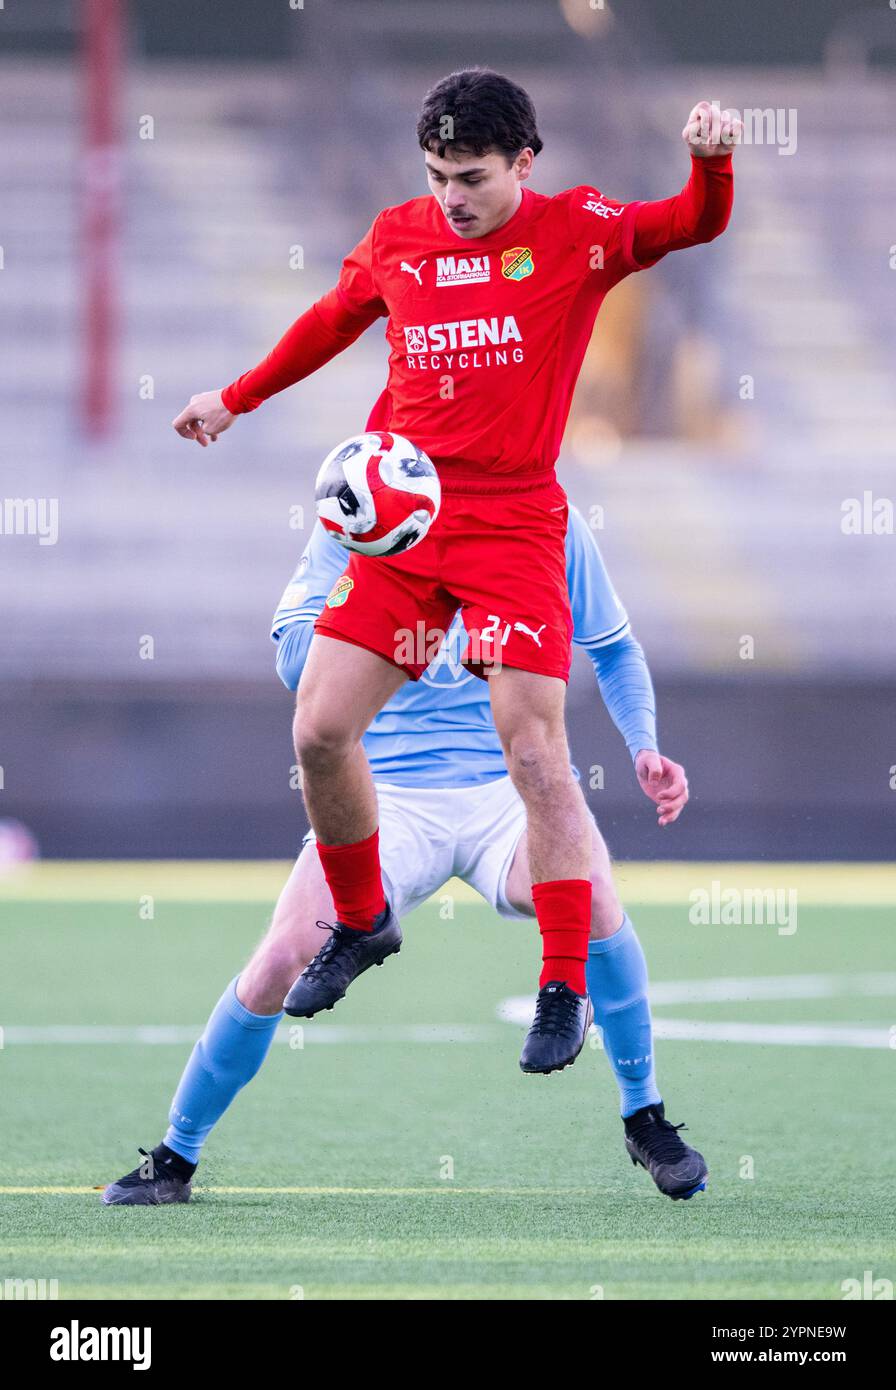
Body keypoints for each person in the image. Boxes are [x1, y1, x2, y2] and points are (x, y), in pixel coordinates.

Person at [171, 68, 737, 1081]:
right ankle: (361, 919)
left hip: (514, 524)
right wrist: (236, 396)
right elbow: (333, 320)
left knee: (536, 757)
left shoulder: (576, 231)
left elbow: (689, 223)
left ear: (525, 161)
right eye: (435, 175)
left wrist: (709, 161)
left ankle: (561, 983)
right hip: (408, 524)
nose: (450, 196)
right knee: (319, 729)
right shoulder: (400, 235)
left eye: (469, 175)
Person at [103, 509, 707, 1207]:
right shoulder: (369, 503)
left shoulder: (542, 513)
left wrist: (644, 744)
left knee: (597, 902)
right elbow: (294, 656)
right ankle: (175, 1156)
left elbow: (615, 646)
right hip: (382, 793)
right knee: (281, 956)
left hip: (511, 784)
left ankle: (646, 1116)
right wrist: (390, 617)